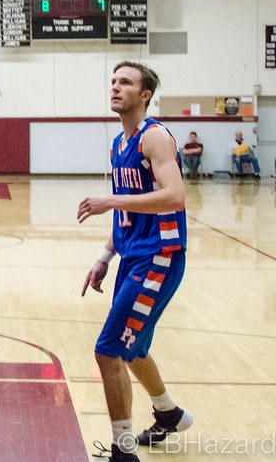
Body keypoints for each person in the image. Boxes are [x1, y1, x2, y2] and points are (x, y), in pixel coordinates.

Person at [78, 62, 193, 462]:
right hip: (132, 257)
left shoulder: (155, 137)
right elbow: (127, 210)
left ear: (145, 94)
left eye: (125, 82)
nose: (115, 87)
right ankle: (169, 413)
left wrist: (110, 200)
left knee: (108, 350)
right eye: (112, 81)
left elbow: (175, 196)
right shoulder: (118, 144)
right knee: (132, 347)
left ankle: (122, 450)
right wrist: (104, 256)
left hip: (160, 258)